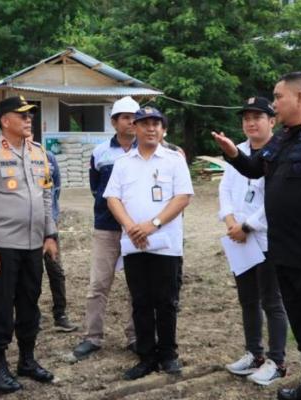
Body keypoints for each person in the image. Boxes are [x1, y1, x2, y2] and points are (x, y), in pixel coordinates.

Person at [212, 72, 301, 400]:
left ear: (299, 98)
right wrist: (233, 154)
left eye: (278, 97)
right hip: (285, 250)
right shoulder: (283, 139)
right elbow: (256, 168)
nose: (274, 104)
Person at [0, 96, 58, 394]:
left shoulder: (39, 153)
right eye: (21, 115)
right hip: (3, 247)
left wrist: (50, 234)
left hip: (34, 245)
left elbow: (47, 196)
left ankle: (27, 360)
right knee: (0, 307)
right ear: (5, 120)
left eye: (29, 115)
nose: (28, 119)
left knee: (29, 303)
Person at [104, 106, 193, 380]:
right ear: (136, 128)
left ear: (163, 129)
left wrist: (152, 224)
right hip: (135, 244)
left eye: (157, 124)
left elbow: (183, 197)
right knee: (140, 301)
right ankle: (146, 356)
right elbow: (112, 198)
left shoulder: (174, 160)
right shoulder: (123, 162)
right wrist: (131, 227)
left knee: (166, 301)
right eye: (145, 124)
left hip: (165, 243)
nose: (151, 128)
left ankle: (168, 354)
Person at [218, 97, 288, 386]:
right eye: (246, 117)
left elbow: (279, 196)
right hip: (239, 240)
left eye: (257, 116)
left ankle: (278, 360)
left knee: (272, 301)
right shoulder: (237, 151)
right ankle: (254, 354)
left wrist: (249, 225)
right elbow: (225, 189)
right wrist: (230, 221)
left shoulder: (280, 150)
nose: (250, 122)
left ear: (272, 121)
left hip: (267, 239)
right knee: (248, 299)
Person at [71, 96, 138, 361]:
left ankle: (136, 336)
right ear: (114, 122)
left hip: (137, 229)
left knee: (137, 286)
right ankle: (92, 337)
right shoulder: (100, 153)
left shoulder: (145, 149)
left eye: (135, 117)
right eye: (125, 117)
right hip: (106, 227)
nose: (132, 122)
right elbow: (95, 189)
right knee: (98, 284)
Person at [29, 134, 77, 332]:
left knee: (56, 270)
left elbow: (55, 189)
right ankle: (33, 315)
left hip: (49, 226)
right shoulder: (12, 159)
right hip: (26, 228)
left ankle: (60, 314)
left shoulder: (47, 157)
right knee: (32, 273)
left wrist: (52, 219)